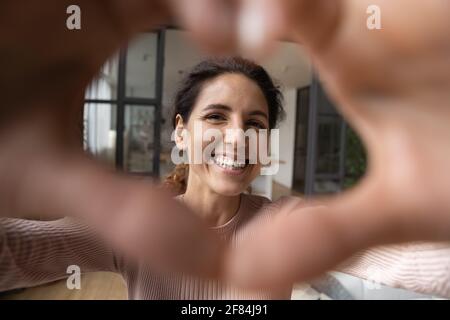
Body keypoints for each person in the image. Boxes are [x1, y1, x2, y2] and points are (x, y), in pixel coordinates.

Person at [1, 0, 450, 289]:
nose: (238, 137)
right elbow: (15, 257)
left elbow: (407, 261)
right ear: (181, 132)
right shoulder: (134, 232)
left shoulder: (285, 220)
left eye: (254, 123)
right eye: (216, 116)